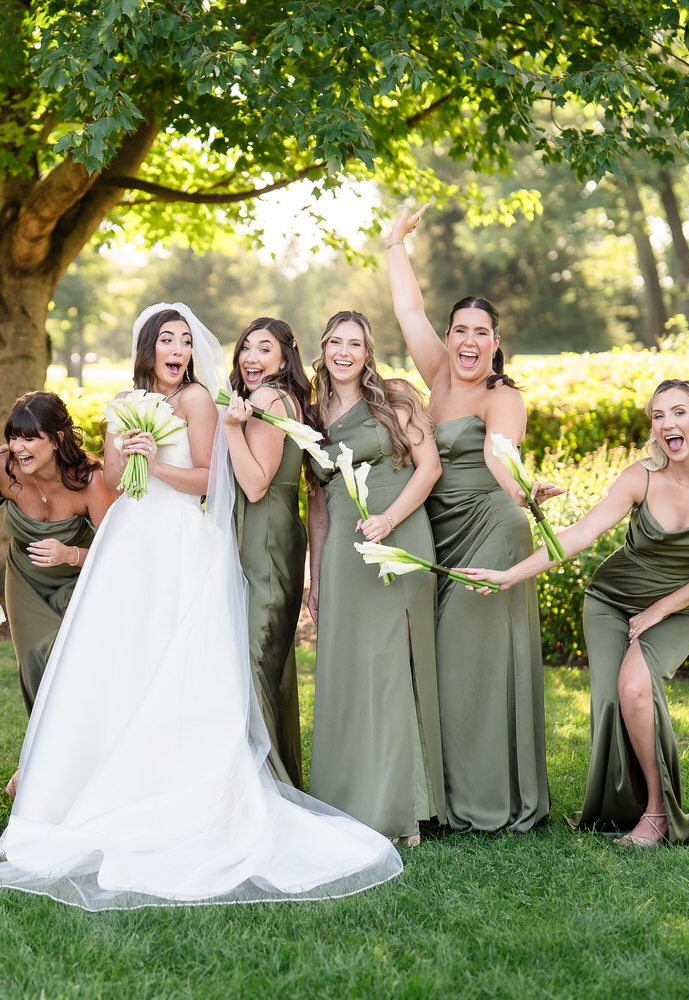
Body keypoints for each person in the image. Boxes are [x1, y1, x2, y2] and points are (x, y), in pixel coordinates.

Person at [0, 303, 403, 911]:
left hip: (177, 539)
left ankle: (179, 788)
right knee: (117, 664)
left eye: (183, 340)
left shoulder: (201, 399)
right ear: (147, 349)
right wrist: (126, 448)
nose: (176, 349)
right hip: (128, 540)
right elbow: (118, 484)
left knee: (177, 663)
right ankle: (92, 785)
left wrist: (157, 464)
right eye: (165, 340)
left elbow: (209, 479)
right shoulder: (124, 399)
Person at [461, 380, 689, 846]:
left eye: (678, 413)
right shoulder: (641, 476)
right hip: (611, 601)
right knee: (614, 700)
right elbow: (579, 534)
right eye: (658, 416)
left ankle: (658, 814)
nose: (667, 424)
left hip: (677, 609)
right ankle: (634, 806)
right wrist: (509, 575)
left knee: (635, 687)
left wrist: (660, 609)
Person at [386, 204, 553, 833]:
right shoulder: (436, 374)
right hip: (438, 537)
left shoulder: (501, 397)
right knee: (442, 664)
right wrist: (395, 243)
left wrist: (525, 490)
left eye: (481, 332)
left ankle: (478, 803)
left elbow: (497, 456)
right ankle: (444, 797)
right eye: (460, 329)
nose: (468, 341)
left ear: (496, 343)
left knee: (466, 668)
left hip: (493, 532)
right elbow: (407, 311)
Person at [305, 311, 446, 844]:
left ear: (368, 352)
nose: (345, 351)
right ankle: (349, 799)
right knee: (350, 670)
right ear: (323, 349)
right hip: (344, 546)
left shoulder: (396, 396)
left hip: (400, 533)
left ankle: (403, 809)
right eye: (336, 342)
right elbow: (316, 505)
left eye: (355, 343)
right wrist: (316, 578)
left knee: (392, 666)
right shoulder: (311, 415)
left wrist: (390, 519)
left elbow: (428, 466)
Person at [0, 391, 115, 714]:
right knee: (35, 659)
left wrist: (69, 555)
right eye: (14, 437)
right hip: (26, 581)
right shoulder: (4, 469)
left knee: (78, 659)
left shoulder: (90, 480)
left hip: (79, 578)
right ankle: (42, 752)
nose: (18, 447)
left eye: (30, 439)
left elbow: (116, 551)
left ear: (57, 439)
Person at [220, 317, 317, 787]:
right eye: (245, 348)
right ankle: (274, 780)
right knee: (265, 659)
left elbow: (256, 484)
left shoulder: (265, 399)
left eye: (264, 349)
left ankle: (261, 788)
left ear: (284, 358)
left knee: (253, 659)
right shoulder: (287, 398)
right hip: (276, 533)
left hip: (264, 535)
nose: (251, 358)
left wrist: (231, 429)